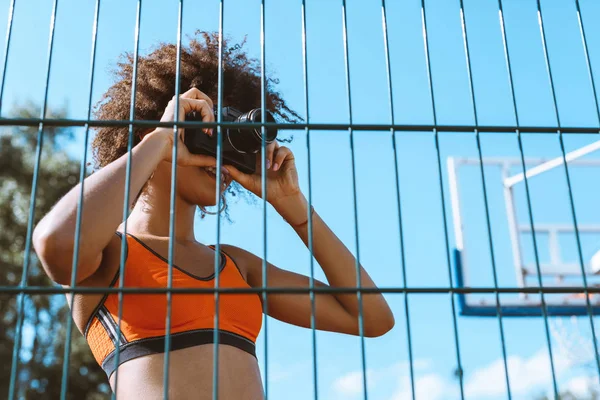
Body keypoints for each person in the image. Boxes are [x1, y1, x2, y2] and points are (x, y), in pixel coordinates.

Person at [32, 32, 394, 399]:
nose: (222, 153)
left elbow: (372, 317)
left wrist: (295, 207)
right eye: (208, 127)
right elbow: (57, 242)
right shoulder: (112, 253)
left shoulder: (236, 266)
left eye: (233, 138)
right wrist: (160, 140)